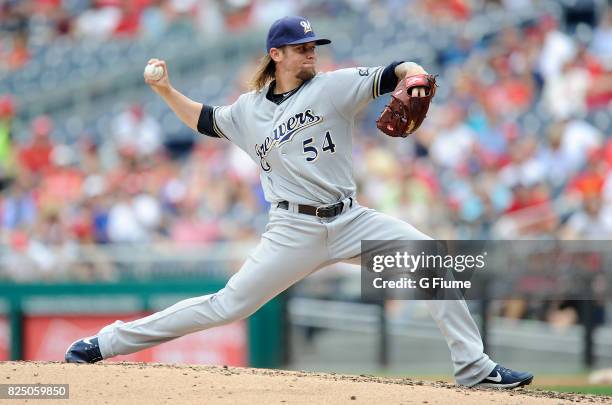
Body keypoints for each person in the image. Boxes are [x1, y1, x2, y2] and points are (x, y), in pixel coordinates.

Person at [65, 16, 533, 389]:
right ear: (276, 54)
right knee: (226, 306)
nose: (312, 52)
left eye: (314, 46)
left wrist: (413, 74)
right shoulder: (248, 110)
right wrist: (165, 91)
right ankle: (104, 343)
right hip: (293, 230)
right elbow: (206, 121)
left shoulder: (333, 85)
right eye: (302, 47)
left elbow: (395, 69)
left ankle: (474, 368)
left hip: (351, 220)